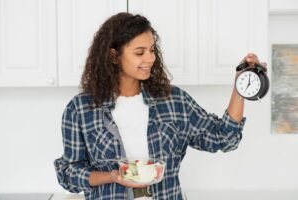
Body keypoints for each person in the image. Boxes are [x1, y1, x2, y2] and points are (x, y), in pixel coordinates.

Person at [54, 12, 262, 200]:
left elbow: (224, 138)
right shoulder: (81, 109)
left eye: (152, 50)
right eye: (139, 52)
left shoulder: (174, 101)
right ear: (114, 56)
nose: (150, 58)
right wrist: (112, 176)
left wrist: (240, 87)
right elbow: (68, 174)